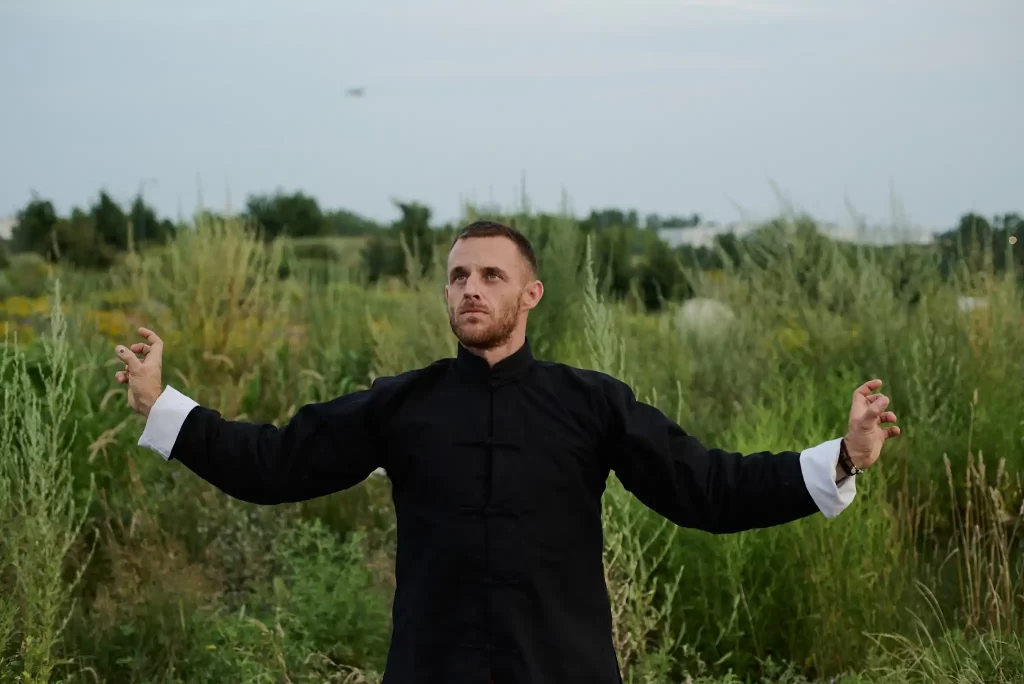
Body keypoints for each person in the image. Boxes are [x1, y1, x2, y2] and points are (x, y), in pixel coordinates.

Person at [114, 220, 900, 684]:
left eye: (491, 275)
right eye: (457, 276)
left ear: (530, 294)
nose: (470, 289)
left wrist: (841, 457)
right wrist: (165, 409)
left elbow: (706, 487)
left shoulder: (591, 403)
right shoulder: (403, 403)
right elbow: (277, 463)